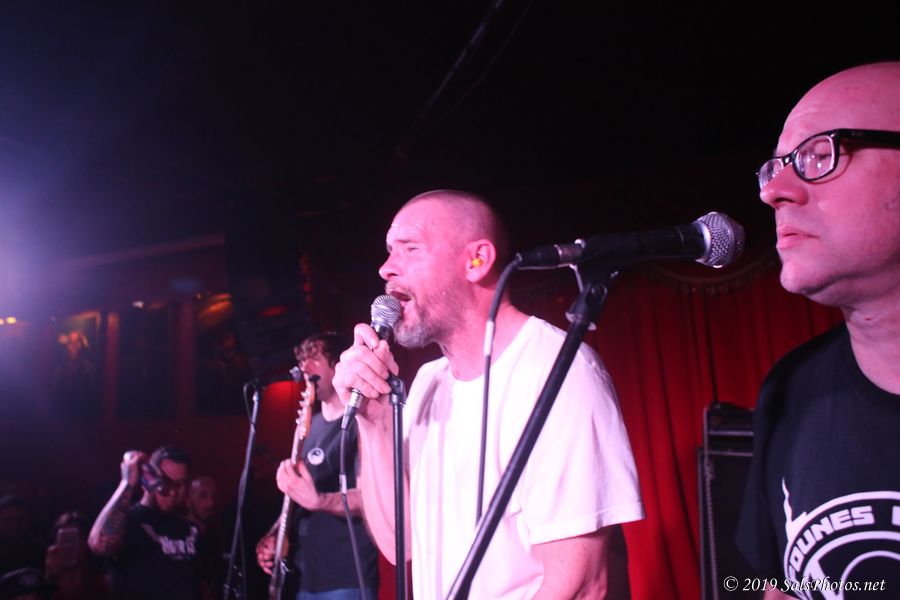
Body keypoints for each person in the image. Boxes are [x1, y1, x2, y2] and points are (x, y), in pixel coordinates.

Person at [333, 190, 644, 599]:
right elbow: (399, 544)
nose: (386, 268)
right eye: (390, 251)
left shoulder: (558, 371)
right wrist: (373, 423)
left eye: (410, 248)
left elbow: (582, 586)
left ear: (477, 260)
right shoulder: (427, 383)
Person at [736, 62, 900, 599]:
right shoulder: (791, 388)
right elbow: (779, 587)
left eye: (817, 154)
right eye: (776, 166)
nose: (773, 191)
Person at [256, 333, 380, 600]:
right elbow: (299, 497)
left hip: (346, 576)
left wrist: (319, 501)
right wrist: (276, 533)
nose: (304, 367)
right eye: (302, 360)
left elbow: (369, 498)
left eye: (314, 358)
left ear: (336, 364)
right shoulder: (308, 426)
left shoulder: (361, 421)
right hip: (304, 576)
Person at [87, 446, 214, 600]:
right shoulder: (127, 523)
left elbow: (203, 586)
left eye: (180, 484)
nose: (173, 491)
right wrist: (127, 483)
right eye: (166, 481)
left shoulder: (191, 530)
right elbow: (98, 544)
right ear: (147, 478)